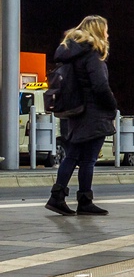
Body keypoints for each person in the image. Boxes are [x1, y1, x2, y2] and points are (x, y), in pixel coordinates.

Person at [45, 16, 118, 217]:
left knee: (74, 155)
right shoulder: (92, 54)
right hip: (93, 113)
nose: (107, 34)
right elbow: (100, 86)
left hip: (73, 112)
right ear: (98, 31)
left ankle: (59, 196)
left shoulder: (71, 53)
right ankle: (81, 200)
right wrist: (112, 107)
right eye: (106, 30)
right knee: (87, 160)